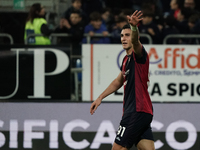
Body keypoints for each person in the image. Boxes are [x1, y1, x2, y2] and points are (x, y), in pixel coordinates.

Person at [90, 10, 155, 150]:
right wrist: (100, 97)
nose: (123, 38)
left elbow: (136, 42)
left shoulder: (139, 55)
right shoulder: (126, 60)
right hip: (143, 113)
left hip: (136, 112)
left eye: (127, 35)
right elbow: (118, 81)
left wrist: (134, 28)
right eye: (121, 36)